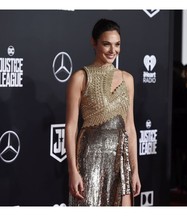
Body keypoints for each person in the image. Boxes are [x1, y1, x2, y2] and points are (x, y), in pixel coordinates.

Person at [65, 18, 141, 206]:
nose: (112, 50)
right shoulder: (80, 77)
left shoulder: (127, 79)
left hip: (120, 160)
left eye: (117, 45)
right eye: (106, 44)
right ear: (94, 42)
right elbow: (71, 127)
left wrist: (135, 170)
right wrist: (73, 171)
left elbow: (130, 128)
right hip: (90, 159)